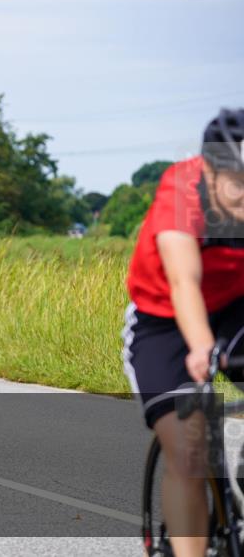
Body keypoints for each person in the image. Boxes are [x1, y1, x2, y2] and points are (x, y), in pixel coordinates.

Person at [123, 108, 244, 557]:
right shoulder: (181, 193)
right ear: (210, 171)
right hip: (165, 319)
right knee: (191, 450)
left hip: (236, 306)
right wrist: (201, 348)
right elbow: (182, 282)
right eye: (238, 183)